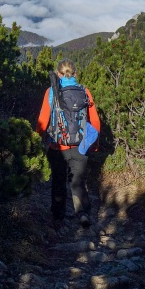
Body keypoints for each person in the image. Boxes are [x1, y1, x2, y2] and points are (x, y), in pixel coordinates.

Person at [36, 59, 100, 229]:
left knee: (58, 181)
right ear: (76, 74)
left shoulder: (51, 92)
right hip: (80, 146)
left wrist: (36, 139)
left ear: (58, 74)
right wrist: (93, 144)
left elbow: (43, 120)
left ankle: (58, 217)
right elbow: (95, 121)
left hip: (57, 146)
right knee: (77, 182)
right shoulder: (84, 91)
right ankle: (83, 214)